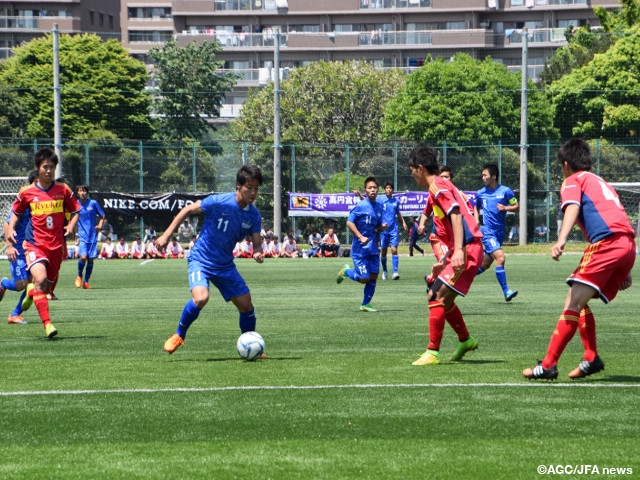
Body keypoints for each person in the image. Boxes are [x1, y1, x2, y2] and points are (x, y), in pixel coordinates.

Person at [523, 138, 635, 380]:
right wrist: (624, 266)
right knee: (578, 300)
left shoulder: (573, 180)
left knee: (571, 304)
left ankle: (548, 365)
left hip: (607, 244)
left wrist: (561, 239)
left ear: (565, 164)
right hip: (626, 245)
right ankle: (591, 357)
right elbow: (617, 216)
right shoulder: (600, 181)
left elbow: (572, 208)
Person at [160, 164, 265, 355]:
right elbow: (187, 210)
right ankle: (178, 335)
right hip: (201, 259)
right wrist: (166, 235)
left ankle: (252, 344)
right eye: (249, 187)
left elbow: (257, 243)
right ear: (238, 186)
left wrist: (257, 252)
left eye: (256, 188)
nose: (253, 193)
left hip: (224, 264)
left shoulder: (254, 215)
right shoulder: (219, 202)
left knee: (247, 305)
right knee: (201, 298)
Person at [408, 143, 483, 366]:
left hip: (468, 248)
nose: (412, 176)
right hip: (465, 248)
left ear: (420, 168)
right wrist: (446, 259)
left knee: (435, 295)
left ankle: (433, 352)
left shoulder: (437, 187)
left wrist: (459, 250)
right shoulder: (442, 185)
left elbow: (457, 215)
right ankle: (465, 340)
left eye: (412, 171)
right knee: (443, 297)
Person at [6, 147, 80, 338]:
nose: (49, 171)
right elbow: (15, 214)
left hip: (56, 246)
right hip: (34, 244)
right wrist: (12, 230)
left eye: (52, 167)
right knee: (39, 280)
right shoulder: (27, 192)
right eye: (45, 167)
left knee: (46, 286)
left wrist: (71, 225)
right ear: (38, 168)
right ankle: (48, 325)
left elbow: (76, 210)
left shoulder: (63, 190)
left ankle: (32, 292)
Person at [336, 177, 387, 312]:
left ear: (378, 190)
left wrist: (382, 227)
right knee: (364, 278)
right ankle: (346, 271)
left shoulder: (379, 207)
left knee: (374, 275)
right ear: (365, 190)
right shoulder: (361, 206)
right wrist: (360, 236)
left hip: (373, 248)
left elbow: (376, 228)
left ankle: (365, 304)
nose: (372, 190)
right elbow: (349, 222)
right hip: (360, 249)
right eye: (370, 188)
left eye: (375, 188)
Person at [474, 163, 519, 302]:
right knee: (500, 258)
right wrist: (476, 221)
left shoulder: (506, 191)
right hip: (487, 232)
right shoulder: (481, 193)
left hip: (499, 233)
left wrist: (505, 207)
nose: (483, 178)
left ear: (493, 176)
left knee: (485, 265)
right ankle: (507, 291)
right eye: (482, 175)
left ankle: (460, 278)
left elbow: (517, 206)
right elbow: (475, 207)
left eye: (485, 175)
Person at [1, 171, 38, 325]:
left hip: (32, 248)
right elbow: (7, 223)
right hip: (18, 249)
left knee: (36, 281)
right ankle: (3, 283)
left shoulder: (42, 204)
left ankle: (15, 315)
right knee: (21, 285)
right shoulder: (24, 202)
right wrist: (9, 246)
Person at [74, 183, 105, 289]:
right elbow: (72, 220)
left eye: (84, 191)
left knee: (90, 259)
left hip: (92, 236)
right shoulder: (75, 204)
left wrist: (100, 224)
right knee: (83, 257)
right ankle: (79, 275)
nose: (82, 193)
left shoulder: (93, 203)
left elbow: (102, 215)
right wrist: (76, 235)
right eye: (80, 191)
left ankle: (86, 282)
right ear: (77, 192)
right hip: (82, 236)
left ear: (87, 192)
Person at [377, 182, 407, 279]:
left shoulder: (396, 201)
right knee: (384, 251)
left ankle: (395, 272)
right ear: (384, 190)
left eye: (390, 188)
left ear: (392, 190)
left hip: (393, 228)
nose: (389, 190)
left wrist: (403, 222)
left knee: (394, 249)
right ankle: (385, 271)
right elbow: (369, 201)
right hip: (383, 230)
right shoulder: (381, 200)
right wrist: (360, 196)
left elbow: (398, 213)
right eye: (387, 188)